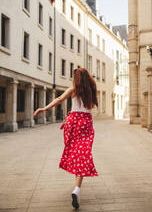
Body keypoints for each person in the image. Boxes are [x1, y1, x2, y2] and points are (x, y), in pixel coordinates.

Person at [33, 68, 98, 210]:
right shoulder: (92, 90)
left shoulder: (73, 89)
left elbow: (59, 99)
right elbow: (89, 107)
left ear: (77, 78)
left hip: (72, 122)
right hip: (85, 122)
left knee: (75, 153)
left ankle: (76, 187)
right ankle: (77, 189)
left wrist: (44, 108)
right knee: (83, 155)